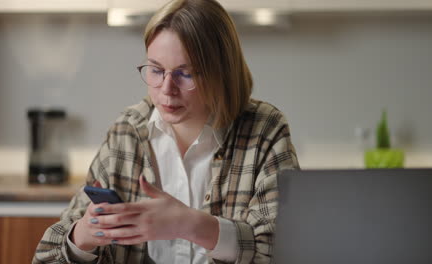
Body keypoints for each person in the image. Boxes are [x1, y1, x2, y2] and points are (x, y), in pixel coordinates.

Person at [32, 0, 299, 263]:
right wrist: (84, 235)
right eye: (156, 70)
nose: (167, 89)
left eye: (186, 74)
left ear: (221, 72)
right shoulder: (128, 131)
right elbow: (46, 257)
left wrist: (191, 225)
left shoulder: (265, 130)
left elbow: (286, 252)